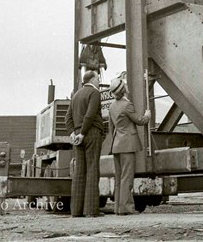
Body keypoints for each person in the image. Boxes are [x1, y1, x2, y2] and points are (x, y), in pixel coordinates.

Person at [108, 75, 151, 216]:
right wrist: (147, 115)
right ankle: (127, 208)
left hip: (117, 145)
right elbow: (139, 120)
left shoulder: (112, 106)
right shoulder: (126, 105)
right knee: (127, 177)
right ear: (124, 89)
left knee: (119, 178)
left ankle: (118, 208)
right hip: (127, 145)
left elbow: (111, 128)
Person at [65, 70, 104, 217]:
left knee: (80, 172)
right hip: (91, 133)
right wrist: (83, 132)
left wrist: (73, 133)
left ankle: (76, 211)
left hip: (77, 136)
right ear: (92, 80)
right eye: (98, 79)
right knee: (93, 170)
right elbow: (90, 114)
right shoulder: (94, 93)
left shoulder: (76, 95)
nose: (99, 81)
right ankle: (91, 211)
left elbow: (67, 117)